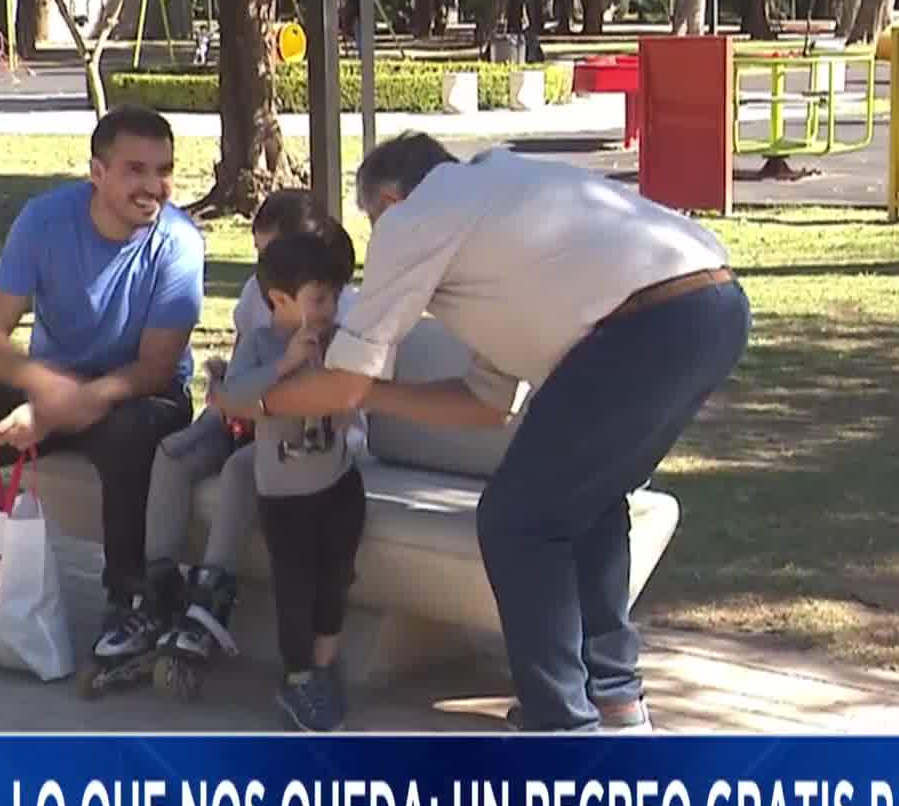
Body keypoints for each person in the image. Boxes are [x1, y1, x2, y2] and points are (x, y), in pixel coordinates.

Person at [254, 133, 750, 734]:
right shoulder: (496, 221)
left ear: (388, 199)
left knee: (516, 521)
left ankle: (561, 726)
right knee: (587, 505)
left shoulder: (416, 216)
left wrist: (260, 398)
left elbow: (343, 381)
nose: (376, 246)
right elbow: (487, 405)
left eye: (372, 222)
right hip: (714, 305)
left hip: (645, 323)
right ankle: (614, 701)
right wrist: (371, 395)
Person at [0, 105, 204, 672]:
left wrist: (57, 411)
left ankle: (128, 599)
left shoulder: (179, 241)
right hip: (52, 377)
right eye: (136, 169)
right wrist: (44, 391)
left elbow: (158, 367)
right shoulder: (45, 221)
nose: (153, 186)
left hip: (136, 393)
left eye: (164, 170)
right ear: (97, 173)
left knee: (130, 436)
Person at [85, 189, 360, 699]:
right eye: (260, 254)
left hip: (294, 434)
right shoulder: (261, 294)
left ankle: (213, 596)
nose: (265, 268)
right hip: (243, 409)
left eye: (274, 252)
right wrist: (225, 390)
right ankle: (159, 590)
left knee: (239, 470)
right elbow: (243, 369)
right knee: (173, 453)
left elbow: (339, 404)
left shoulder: (334, 305)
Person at [212, 233, 365, 731]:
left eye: (335, 297)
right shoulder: (260, 345)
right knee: (295, 586)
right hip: (284, 495)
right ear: (279, 299)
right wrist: (286, 364)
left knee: (335, 578)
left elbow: (356, 397)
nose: (329, 309)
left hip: (339, 482)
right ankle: (297, 677)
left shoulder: (339, 339)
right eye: (318, 298)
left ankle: (324, 667)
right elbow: (233, 396)